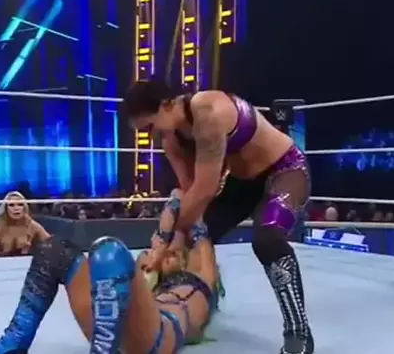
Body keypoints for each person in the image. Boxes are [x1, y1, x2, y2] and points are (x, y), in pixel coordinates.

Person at [123, 81, 313, 354]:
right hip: (242, 183)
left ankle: (298, 332)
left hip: (284, 169)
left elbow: (205, 189)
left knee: (267, 239)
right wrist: (176, 235)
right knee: (196, 234)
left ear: (167, 105)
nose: (151, 137)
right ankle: (194, 301)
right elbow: (189, 192)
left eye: (150, 126)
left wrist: (165, 238)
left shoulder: (207, 112)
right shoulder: (171, 139)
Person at [0, 191, 219, 354]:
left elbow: (186, 210)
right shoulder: (146, 273)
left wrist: (169, 234)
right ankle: (14, 343)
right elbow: (175, 201)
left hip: (155, 338)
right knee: (53, 250)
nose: (162, 255)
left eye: (174, 256)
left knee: (109, 252)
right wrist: (160, 248)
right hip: (113, 325)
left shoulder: (200, 284)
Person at [0, 191, 51, 257]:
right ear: (6, 208)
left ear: (24, 208)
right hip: (1, 263)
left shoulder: (31, 225)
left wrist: (36, 251)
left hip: (25, 263)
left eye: (20, 204)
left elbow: (51, 245)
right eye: (11, 205)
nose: (16, 208)